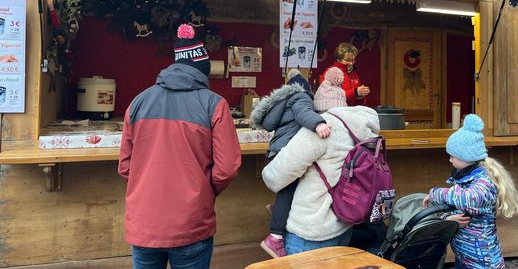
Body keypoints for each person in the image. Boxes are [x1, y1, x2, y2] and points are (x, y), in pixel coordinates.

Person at [118, 24, 241, 269]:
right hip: (191, 222)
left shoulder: (138, 102)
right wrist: (203, 191)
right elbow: (227, 168)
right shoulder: (215, 104)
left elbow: (125, 167)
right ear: (202, 70)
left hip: (144, 223)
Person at [261, 77, 381, 255]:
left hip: (311, 230)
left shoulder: (321, 129)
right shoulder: (364, 127)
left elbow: (275, 177)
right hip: (345, 221)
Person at [251, 68, 335, 258]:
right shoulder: (301, 97)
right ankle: (275, 237)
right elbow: (302, 112)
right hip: (287, 152)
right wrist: (318, 123)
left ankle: (277, 208)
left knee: (289, 190)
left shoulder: (283, 103)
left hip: (276, 151)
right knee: (289, 191)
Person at [423, 114, 518, 269]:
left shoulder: (484, 183)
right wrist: (449, 218)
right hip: (465, 256)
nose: (450, 160)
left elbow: (469, 199)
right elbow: (460, 209)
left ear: (466, 156)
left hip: (482, 262)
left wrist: (436, 193)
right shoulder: (465, 179)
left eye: (453, 156)